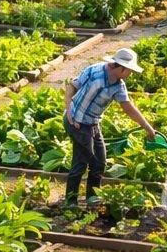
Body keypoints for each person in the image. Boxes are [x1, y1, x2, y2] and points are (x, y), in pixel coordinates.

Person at [62, 49, 157, 207]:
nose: (130, 74)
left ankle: (92, 196)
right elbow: (71, 86)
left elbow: (128, 107)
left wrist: (147, 127)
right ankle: (70, 201)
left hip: (93, 122)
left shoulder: (119, 86)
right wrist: (69, 110)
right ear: (121, 68)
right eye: (130, 71)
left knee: (99, 160)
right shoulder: (94, 71)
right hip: (76, 122)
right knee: (81, 161)